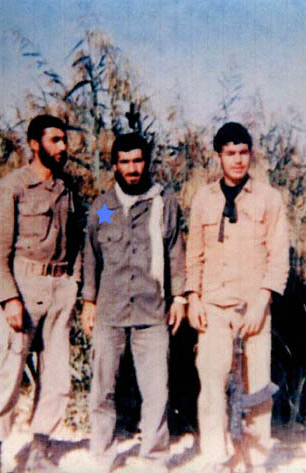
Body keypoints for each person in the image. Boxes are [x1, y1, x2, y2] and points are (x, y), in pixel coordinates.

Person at [185, 122, 290, 473]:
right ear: (218, 156)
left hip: (253, 307)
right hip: (213, 306)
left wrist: (262, 302)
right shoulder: (203, 199)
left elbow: (279, 256)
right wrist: (193, 297)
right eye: (230, 153)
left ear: (251, 154)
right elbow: (194, 254)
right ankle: (217, 456)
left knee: (257, 387)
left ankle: (254, 459)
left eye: (243, 152)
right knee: (212, 383)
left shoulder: (269, 199)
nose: (237, 160)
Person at [81, 132, 185, 471]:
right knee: (103, 388)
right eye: (124, 162)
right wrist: (88, 301)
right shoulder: (103, 207)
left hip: (152, 310)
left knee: (156, 390)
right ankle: (102, 454)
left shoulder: (163, 204)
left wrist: (180, 297)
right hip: (109, 310)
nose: (132, 168)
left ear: (147, 162)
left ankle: (153, 456)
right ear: (115, 165)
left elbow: (175, 251)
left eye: (137, 160)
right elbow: (91, 254)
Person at [0, 114, 82, 473]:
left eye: (64, 140)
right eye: (55, 140)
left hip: (60, 289)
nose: (63, 147)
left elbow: (82, 231)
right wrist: (8, 298)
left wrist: (75, 282)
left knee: (56, 375)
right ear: (34, 144)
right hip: (23, 288)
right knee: (9, 371)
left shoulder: (67, 188)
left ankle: (40, 449)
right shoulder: (14, 186)